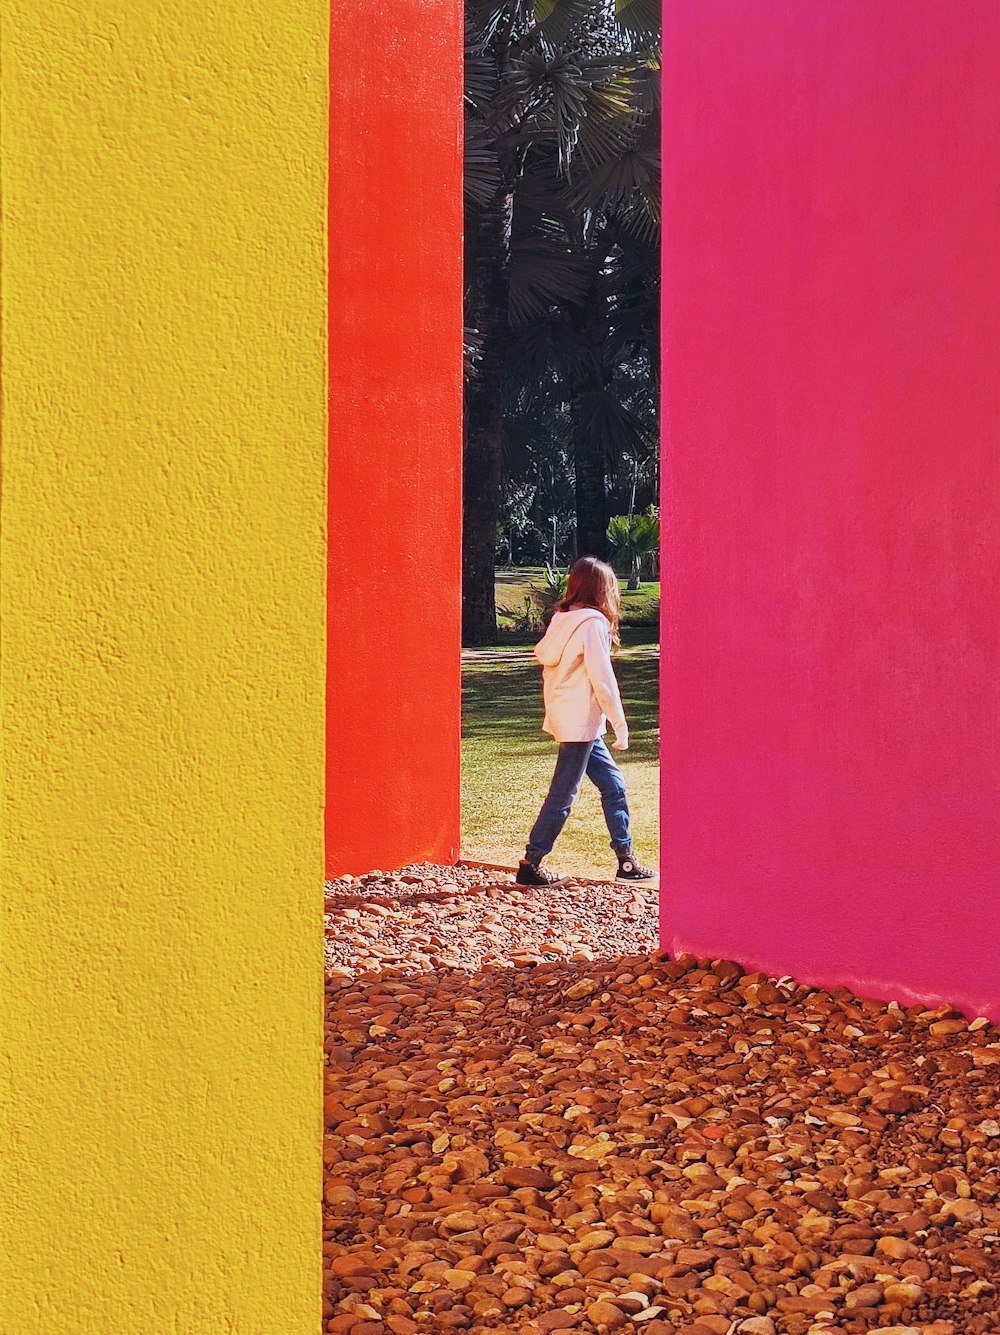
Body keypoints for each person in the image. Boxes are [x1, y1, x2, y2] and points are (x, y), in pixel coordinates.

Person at [516, 555, 656, 886]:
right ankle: (531, 864)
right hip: (579, 723)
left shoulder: (563, 618)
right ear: (601, 589)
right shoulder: (592, 624)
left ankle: (625, 860)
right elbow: (602, 680)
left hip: (574, 719)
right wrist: (620, 726)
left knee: (613, 785)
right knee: (563, 793)